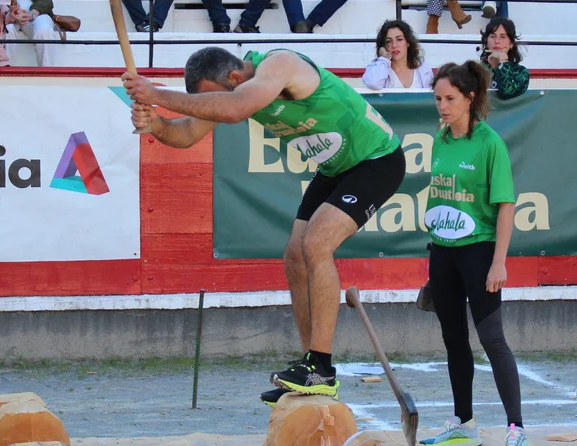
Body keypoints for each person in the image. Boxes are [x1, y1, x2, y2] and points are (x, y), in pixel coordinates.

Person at [123, 46, 406, 404]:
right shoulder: (234, 88)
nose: (213, 108)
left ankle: (321, 366)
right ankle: (311, 366)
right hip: (335, 167)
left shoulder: (280, 64)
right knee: (294, 255)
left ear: (235, 78)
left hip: (376, 159)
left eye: (214, 98)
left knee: (316, 245)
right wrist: (156, 124)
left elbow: (235, 107)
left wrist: (156, 95)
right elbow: (187, 134)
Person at [418, 60, 532, 446]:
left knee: (492, 340)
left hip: (479, 252)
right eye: (437, 99)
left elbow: (505, 205)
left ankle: (517, 431)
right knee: (453, 339)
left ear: (470, 98)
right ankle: (464, 424)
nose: (442, 106)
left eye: (449, 99)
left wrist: (499, 262)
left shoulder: (489, 143)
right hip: (442, 251)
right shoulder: (440, 139)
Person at [362, 19, 432, 89]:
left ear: (408, 42)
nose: (394, 45)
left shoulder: (422, 68)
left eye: (399, 39)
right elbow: (373, 84)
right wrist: (384, 58)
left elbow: (432, 94)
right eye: (388, 41)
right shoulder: (378, 68)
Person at [479, 16, 530, 100]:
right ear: (486, 42)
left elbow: (506, 93)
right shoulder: (477, 70)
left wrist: (503, 62)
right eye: (492, 36)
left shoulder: (521, 72)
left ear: (511, 44)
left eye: (503, 37)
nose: (497, 41)